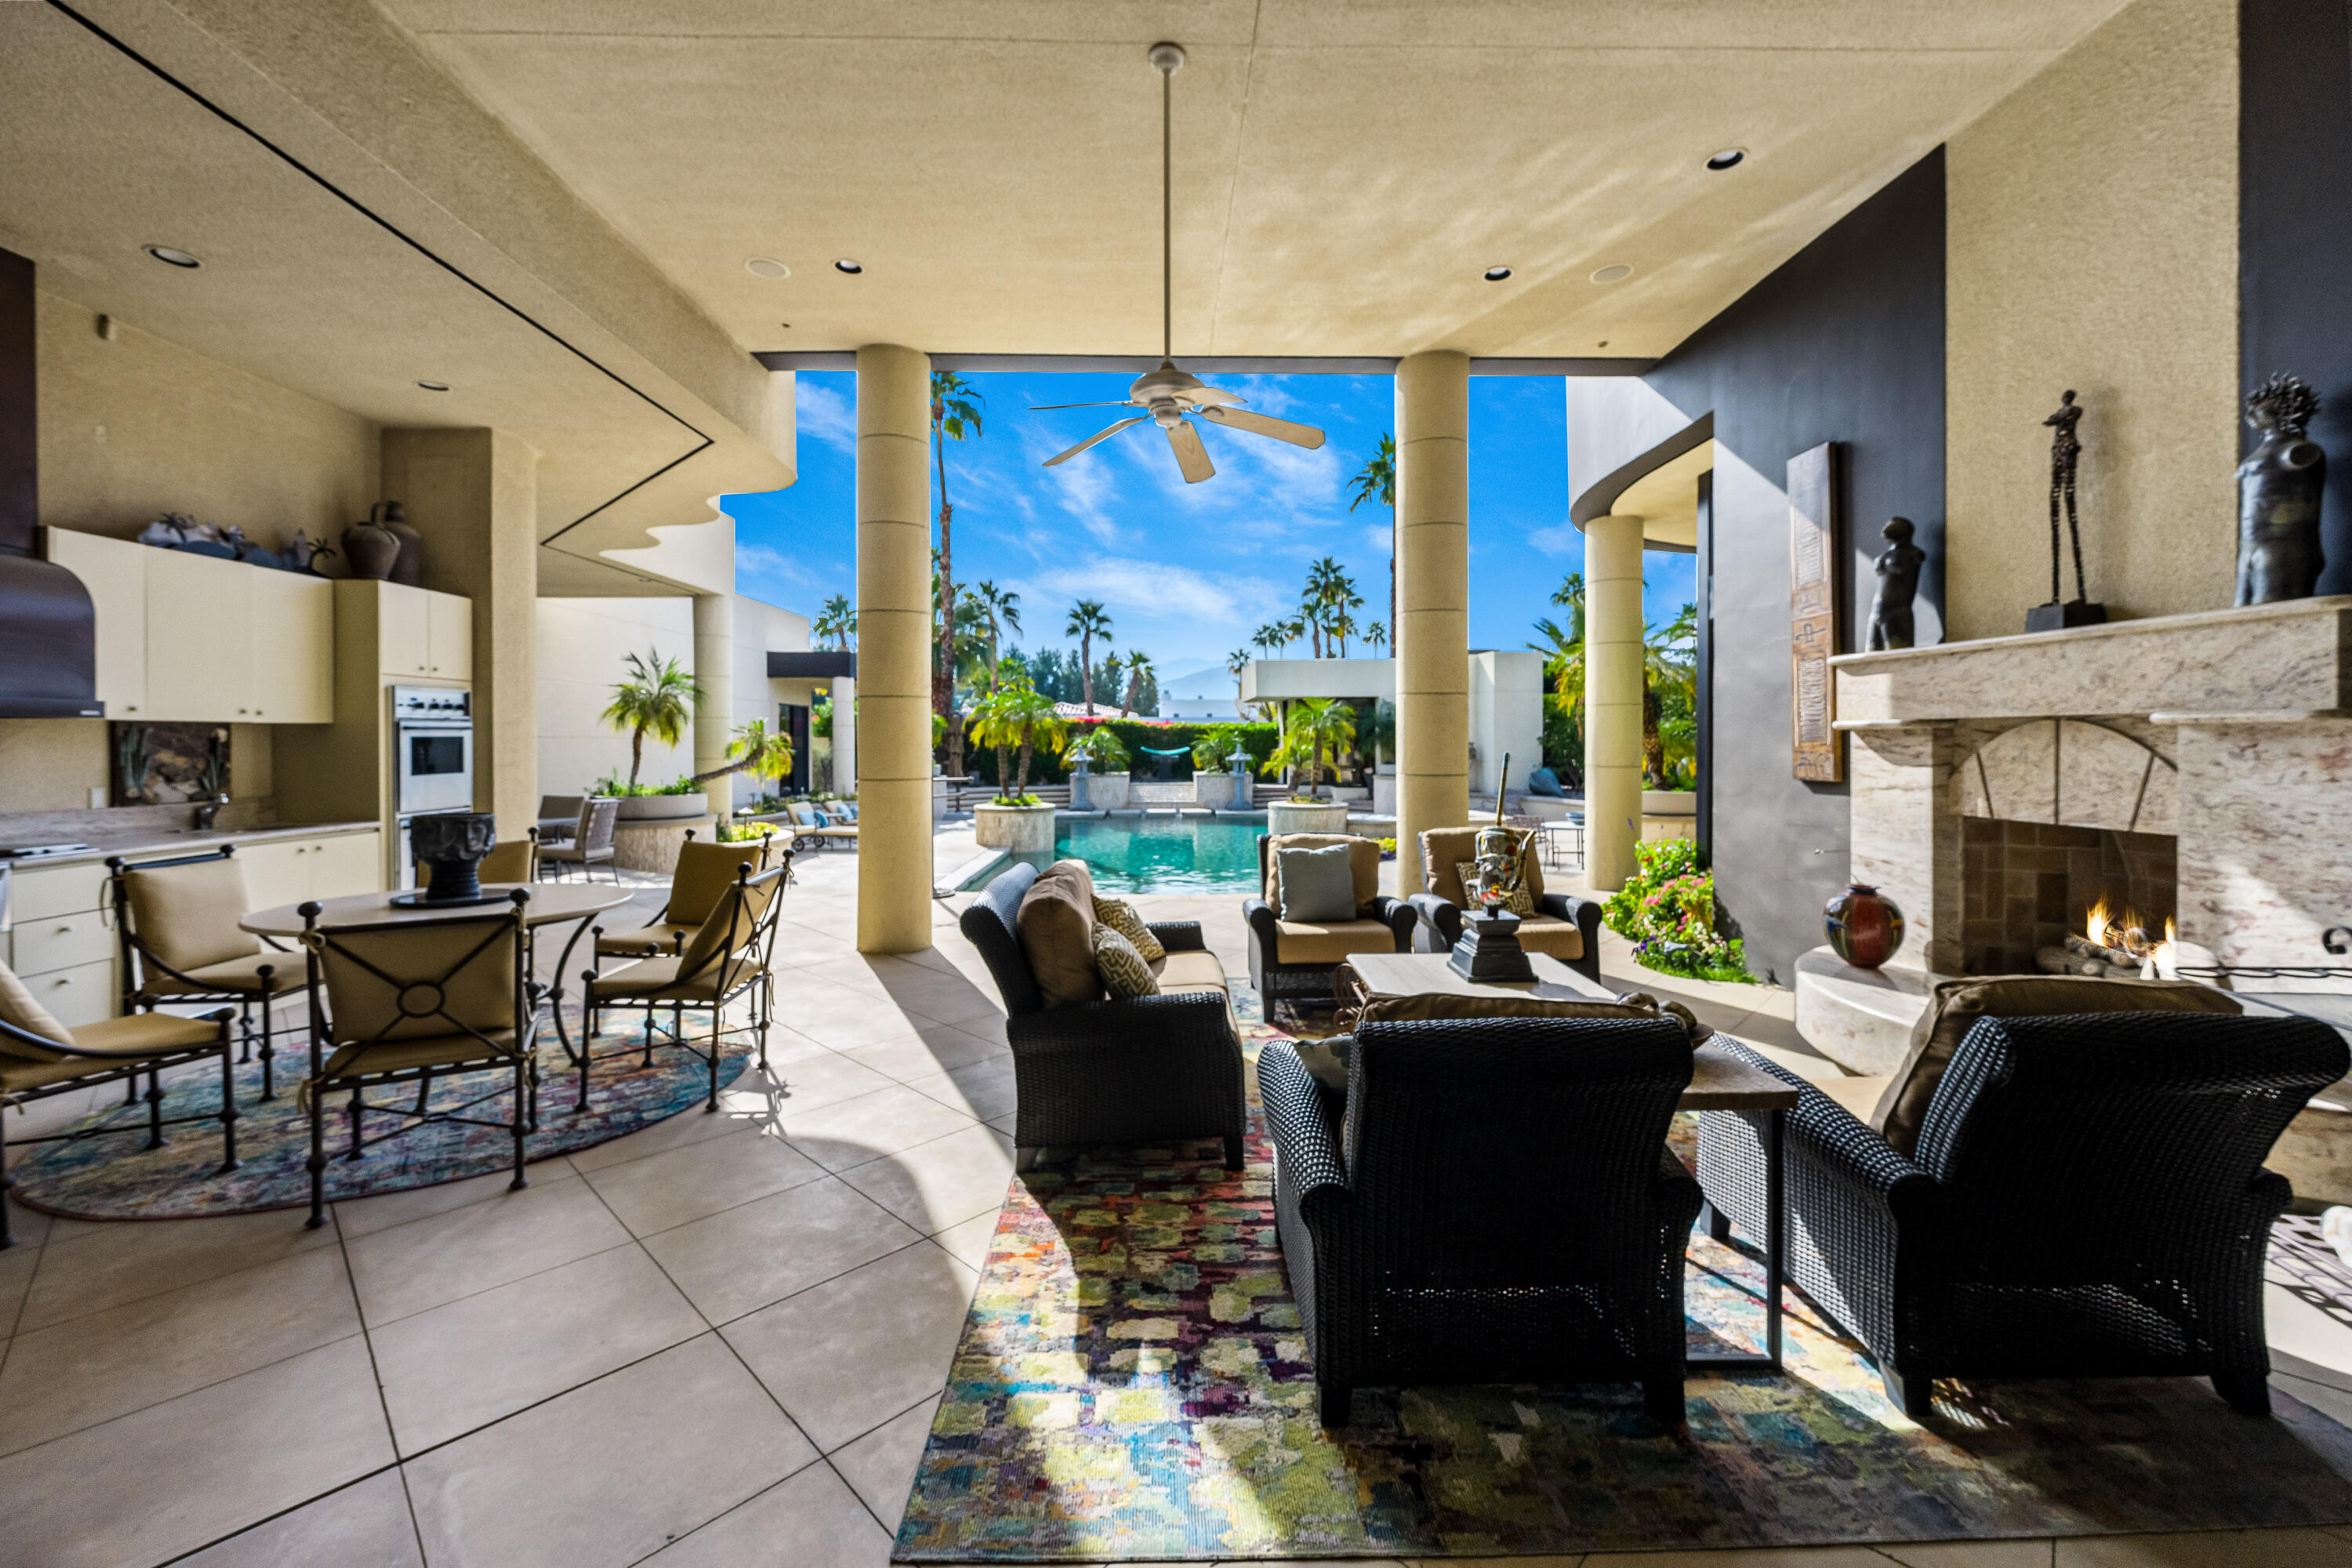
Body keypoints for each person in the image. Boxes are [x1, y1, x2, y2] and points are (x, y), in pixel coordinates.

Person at [1866, 517, 1927, 651]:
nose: (1887, 527)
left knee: (1897, 655)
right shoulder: (1883, 557)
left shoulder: (1914, 554)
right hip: (1877, 611)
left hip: (1897, 612)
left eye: (1892, 524)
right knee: (1871, 656)